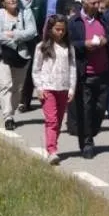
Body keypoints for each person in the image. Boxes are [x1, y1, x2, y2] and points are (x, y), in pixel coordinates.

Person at [68, 0, 109, 159]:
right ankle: (87, 142)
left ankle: (92, 131)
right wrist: (84, 44)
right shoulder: (74, 21)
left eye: (98, 2)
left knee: (100, 108)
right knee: (86, 109)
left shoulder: (104, 19)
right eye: (93, 3)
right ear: (83, 3)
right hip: (85, 74)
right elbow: (68, 44)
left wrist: (106, 41)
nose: (97, 6)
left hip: (104, 72)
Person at [0, 0, 37, 130]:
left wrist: (13, 34)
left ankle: (10, 107)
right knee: (6, 84)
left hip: (21, 56)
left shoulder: (26, 13)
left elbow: (31, 31)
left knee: (18, 88)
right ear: (3, 2)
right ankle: (8, 116)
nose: (12, 0)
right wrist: (15, 42)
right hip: (0, 55)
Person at [32, 15, 75, 165]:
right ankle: (52, 150)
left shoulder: (68, 47)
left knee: (59, 120)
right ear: (50, 30)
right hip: (47, 87)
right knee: (51, 120)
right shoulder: (42, 47)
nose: (60, 32)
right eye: (57, 29)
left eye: (63, 30)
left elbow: (72, 68)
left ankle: (53, 144)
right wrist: (39, 87)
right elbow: (36, 69)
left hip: (63, 88)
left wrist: (72, 88)